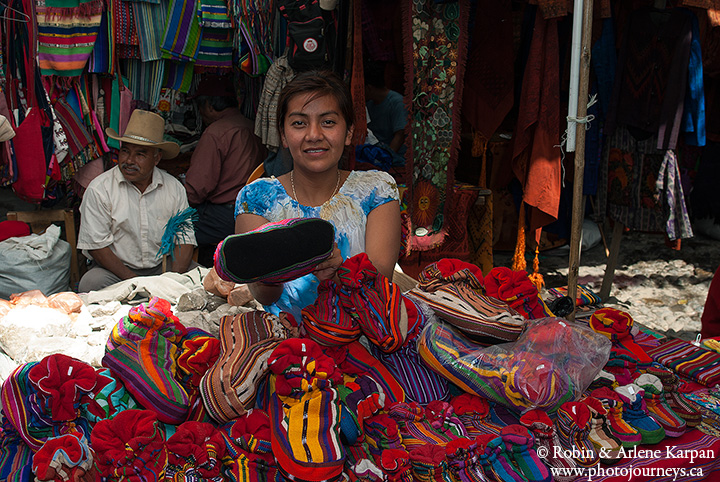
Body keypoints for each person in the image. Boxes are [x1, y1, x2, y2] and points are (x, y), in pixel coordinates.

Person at [233, 70, 402, 322]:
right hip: (287, 343)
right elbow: (266, 297)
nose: (313, 135)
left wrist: (339, 270)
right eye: (299, 123)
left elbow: (378, 284)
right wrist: (268, 269)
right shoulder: (257, 199)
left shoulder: (376, 190)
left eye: (328, 122)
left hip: (360, 337)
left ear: (348, 133)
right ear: (283, 135)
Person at [77, 110, 197, 292]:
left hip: (162, 267)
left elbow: (184, 239)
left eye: (140, 154)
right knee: (91, 283)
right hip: (117, 272)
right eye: (125, 151)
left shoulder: (173, 188)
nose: (129, 160)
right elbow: (97, 247)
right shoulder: (99, 189)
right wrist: (138, 284)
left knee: (200, 278)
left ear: (156, 158)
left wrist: (174, 280)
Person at [185, 75, 267, 266]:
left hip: (223, 216)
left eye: (201, 107)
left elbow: (196, 190)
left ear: (210, 106)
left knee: (172, 228)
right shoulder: (251, 126)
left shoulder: (215, 132)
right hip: (250, 212)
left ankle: (177, 274)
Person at [364, 60, 408, 155]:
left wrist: (387, 157)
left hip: (394, 156)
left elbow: (400, 135)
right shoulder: (369, 104)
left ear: (368, 88)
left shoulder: (397, 102)